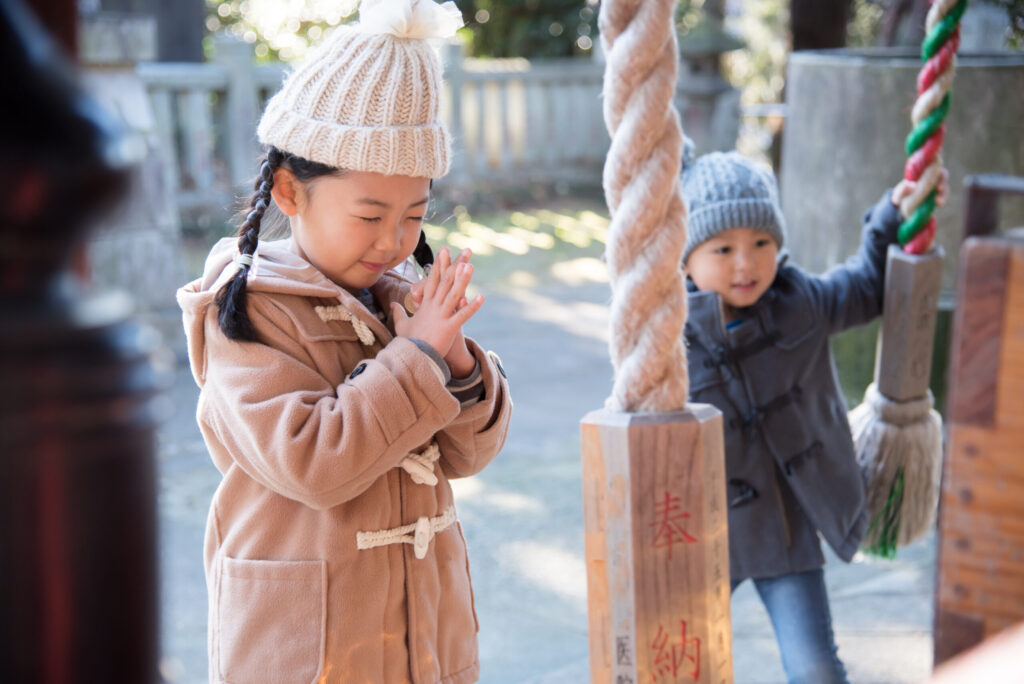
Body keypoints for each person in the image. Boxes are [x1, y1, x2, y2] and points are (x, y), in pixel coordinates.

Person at [176, 2, 512, 682]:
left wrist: (454, 362)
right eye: (369, 214)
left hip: (422, 629)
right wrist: (415, 359)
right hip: (307, 643)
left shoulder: (396, 301)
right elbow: (312, 462)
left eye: (414, 215)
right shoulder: (244, 311)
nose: (391, 241)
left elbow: (469, 456)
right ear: (290, 192)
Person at [679, 138, 946, 684]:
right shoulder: (666, 337)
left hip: (784, 528)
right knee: (683, 662)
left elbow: (868, 285)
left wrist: (894, 214)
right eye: (722, 249)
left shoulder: (801, 303)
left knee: (817, 669)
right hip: (703, 533)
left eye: (760, 242)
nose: (746, 263)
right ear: (685, 259)